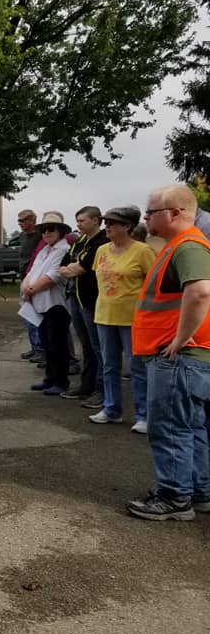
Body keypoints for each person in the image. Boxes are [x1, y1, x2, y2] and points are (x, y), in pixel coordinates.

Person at [127, 185, 210, 520]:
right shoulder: (179, 245)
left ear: (175, 213)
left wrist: (179, 339)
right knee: (191, 427)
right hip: (186, 359)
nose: (145, 217)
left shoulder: (188, 246)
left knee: (171, 428)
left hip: (178, 359)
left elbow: (201, 292)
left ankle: (175, 497)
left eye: (151, 212)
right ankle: (199, 492)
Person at [89, 206, 154, 431]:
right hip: (104, 315)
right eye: (106, 223)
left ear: (127, 226)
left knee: (137, 367)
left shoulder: (143, 251)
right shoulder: (102, 250)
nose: (107, 227)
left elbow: (153, 284)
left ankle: (144, 415)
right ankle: (111, 409)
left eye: (112, 223)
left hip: (133, 318)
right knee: (109, 365)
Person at [58, 206, 108, 407]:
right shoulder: (79, 242)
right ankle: (87, 385)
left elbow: (83, 267)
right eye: (77, 221)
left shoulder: (101, 242)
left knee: (98, 346)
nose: (78, 224)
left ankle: (101, 390)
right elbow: (64, 265)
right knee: (86, 345)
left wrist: (73, 268)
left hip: (90, 299)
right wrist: (72, 268)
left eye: (82, 220)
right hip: (75, 297)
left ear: (96, 220)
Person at [23, 212, 72, 395]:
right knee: (47, 343)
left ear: (59, 231)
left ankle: (61, 381)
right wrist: (27, 287)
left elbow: (53, 276)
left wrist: (31, 290)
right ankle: (50, 378)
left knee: (58, 345)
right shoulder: (44, 250)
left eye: (51, 229)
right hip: (40, 303)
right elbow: (31, 272)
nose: (46, 233)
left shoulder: (63, 250)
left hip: (56, 304)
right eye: (43, 230)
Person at [17, 209, 45, 362]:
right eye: (19, 221)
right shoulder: (23, 236)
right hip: (24, 277)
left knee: (35, 316)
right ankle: (35, 347)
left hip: (34, 278)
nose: (20, 224)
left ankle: (40, 349)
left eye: (23, 221)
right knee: (27, 315)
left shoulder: (39, 236)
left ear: (32, 221)